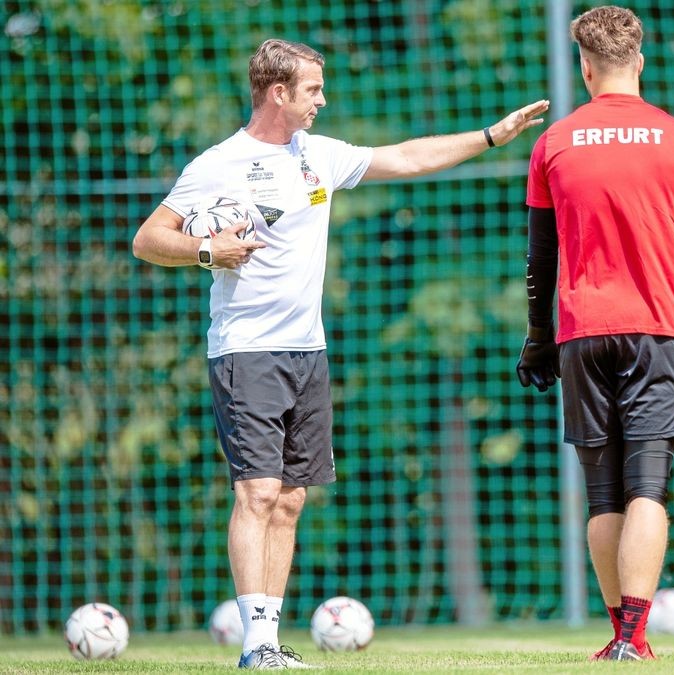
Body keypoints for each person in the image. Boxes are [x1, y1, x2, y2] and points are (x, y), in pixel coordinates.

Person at [131, 38, 548, 669]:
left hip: (308, 352)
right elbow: (147, 240)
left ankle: (268, 640)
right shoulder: (217, 164)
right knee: (258, 492)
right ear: (279, 93)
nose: (323, 100)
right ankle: (255, 646)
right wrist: (208, 251)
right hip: (247, 350)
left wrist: (491, 135)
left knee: (293, 497)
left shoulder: (316, 157)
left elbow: (408, 158)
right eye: (313, 90)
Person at [514, 6, 674, 662]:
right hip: (658, 328)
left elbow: (538, 257)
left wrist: (537, 335)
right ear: (641, 60)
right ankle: (635, 636)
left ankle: (617, 635)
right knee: (647, 486)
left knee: (603, 492)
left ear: (585, 65)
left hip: (582, 330)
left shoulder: (555, 143)